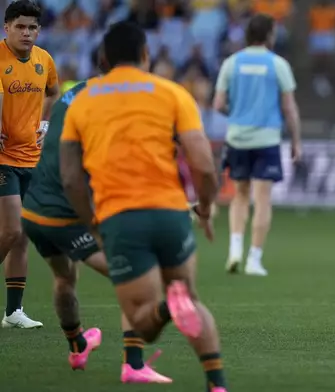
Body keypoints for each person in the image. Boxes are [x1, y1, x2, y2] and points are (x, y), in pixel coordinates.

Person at [59, 21, 227, 392]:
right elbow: (202, 163)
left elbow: (70, 178)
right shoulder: (172, 92)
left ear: (102, 58)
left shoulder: (82, 100)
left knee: (144, 323)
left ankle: (169, 307)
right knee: (192, 297)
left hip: (121, 218)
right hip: (170, 213)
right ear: (146, 55)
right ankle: (217, 383)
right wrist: (205, 208)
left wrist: (92, 224)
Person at [21, 54, 172, 382]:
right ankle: (133, 365)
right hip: (65, 213)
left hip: (34, 210)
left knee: (64, 278)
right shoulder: (111, 107)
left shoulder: (72, 94)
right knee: (135, 274)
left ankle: (77, 346)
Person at [214, 13, 302, 277]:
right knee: (262, 200)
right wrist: (296, 140)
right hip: (266, 139)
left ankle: (234, 250)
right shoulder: (277, 64)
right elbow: (289, 107)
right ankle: (254, 259)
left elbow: (218, 104)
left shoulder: (231, 63)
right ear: (269, 35)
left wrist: (238, 114)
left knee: (239, 195)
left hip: (237, 138)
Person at [0, 0, 59, 329]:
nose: (26, 32)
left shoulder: (44, 60)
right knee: (10, 229)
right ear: (6, 27)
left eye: (32, 27)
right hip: (3, 158)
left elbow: (53, 90)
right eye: (20, 26)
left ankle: (12, 313)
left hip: (31, 158)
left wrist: (45, 123)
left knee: (20, 236)